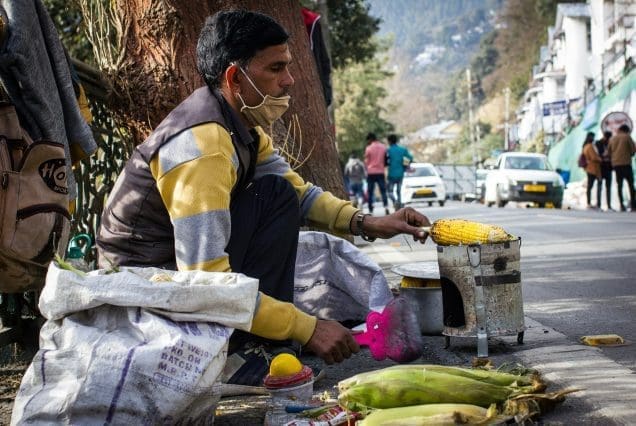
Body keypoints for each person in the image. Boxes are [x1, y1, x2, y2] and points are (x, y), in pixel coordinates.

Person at [96, 10, 430, 388]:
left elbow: (298, 194)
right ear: (235, 78)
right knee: (273, 198)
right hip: (143, 288)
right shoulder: (202, 146)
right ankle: (234, 355)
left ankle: (257, 344)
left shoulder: (240, 127)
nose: (289, 80)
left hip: (176, 271)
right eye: (275, 68)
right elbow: (205, 280)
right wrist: (306, 327)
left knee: (276, 194)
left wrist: (368, 223)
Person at [608, 124, 636, 211]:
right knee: (631, 185)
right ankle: (633, 205)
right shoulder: (627, 137)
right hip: (626, 164)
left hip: (616, 165)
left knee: (619, 185)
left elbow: (609, 152)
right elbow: (633, 151)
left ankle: (621, 205)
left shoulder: (612, 139)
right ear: (626, 130)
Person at [364, 132, 390, 215]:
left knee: (370, 191)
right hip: (380, 172)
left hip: (371, 172)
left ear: (370, 139)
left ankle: (370, 209)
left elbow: (366, 161)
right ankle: (386, 207)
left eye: (368, 140)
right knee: (383, 190)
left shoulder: (368, 148)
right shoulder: (383, 147)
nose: (368, 142)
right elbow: (386, 160)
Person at [385, 134, 413, 209]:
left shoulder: (388, 150)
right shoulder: (403, 150)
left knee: (389, 192)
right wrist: (405, 165)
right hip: (400, 173)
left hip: (391, 174)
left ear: (389, 141)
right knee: (398, 191)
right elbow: (410, 158)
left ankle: (395, 201)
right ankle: (399, 205)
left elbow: (385, 161)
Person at [582, 131, 602, 209]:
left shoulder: (585, 146)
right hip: (593, 168)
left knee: (590, 186)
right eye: (593, 137)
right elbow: (594, 157)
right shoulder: (590, 146)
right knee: (592, 186)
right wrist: (600, 159)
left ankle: (589, 202)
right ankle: (592, 203)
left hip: (589, 168)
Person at [595, 130, 613, 210]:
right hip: (600, 167)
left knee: (608, 187)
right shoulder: (598, 143)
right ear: (605, 136)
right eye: (608, 138)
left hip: (608, 167)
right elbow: (597, 155)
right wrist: (604, 155)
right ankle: (599, 205)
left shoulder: (610, 143)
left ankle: (609, 205)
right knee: (599, 186)